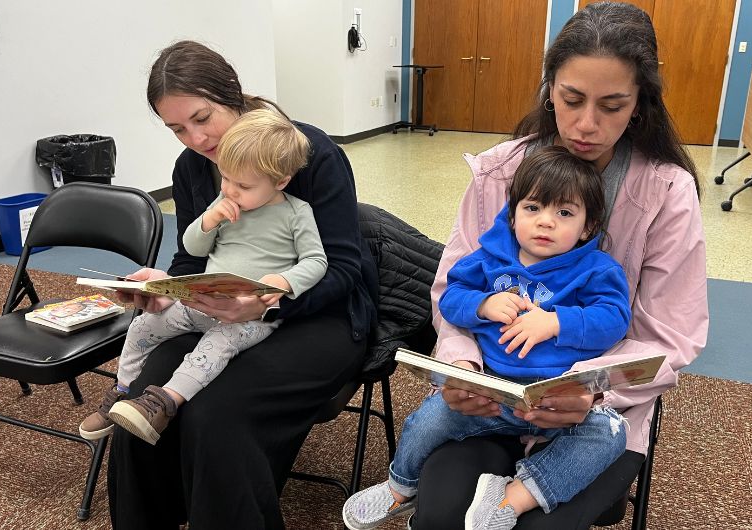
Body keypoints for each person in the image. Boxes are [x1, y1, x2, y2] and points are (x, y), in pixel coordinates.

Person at [406, 3, 707, 528]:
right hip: (490, 397)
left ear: (639, 105)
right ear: (549, 90)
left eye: (612, 106)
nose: (586, 124)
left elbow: (669, 335)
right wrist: (462, 369)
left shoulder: (666, 191)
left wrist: (588, 392)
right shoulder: (500, 172)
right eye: (571, 99)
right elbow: (453, 289)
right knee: (441, 517)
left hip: (594, 416)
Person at [108, 40, 377, 529]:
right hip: (222, 312)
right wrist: (166, 286)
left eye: (202, 118)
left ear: (230, 93)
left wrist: (269, 305)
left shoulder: (308, 152)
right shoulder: (192, 167)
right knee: (141, 407)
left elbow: (342, 269)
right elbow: (192, 259)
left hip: (320, 315)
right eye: (177, 129)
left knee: (217, 415)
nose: (196, 138)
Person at [343, 146, 632, 530]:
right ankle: (400, 486)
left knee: (610, 433)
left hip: (560, 399)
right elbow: (451, 298)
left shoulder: (597, 269)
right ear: (512, 215)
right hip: (493, 392)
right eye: (533, 208)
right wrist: (483, 304)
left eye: (564, 213)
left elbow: (614, 319)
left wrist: (556, 322)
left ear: (588, 227)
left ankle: (512, 499)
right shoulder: (488, 259)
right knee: (432, 415)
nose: (545, 222)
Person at [79, 109, 329, 445]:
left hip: (248, 317)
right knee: (142, 325)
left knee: (214, 347)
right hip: (203, 301)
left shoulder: (296, 213)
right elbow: (193, 246)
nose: (231, 190)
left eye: (243, 185)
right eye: (225, 178)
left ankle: (163, 403)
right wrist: (209, 221)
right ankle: (123, 390)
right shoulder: (224, 201)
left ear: (280, 182)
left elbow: (316, 260)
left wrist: (285, 282)